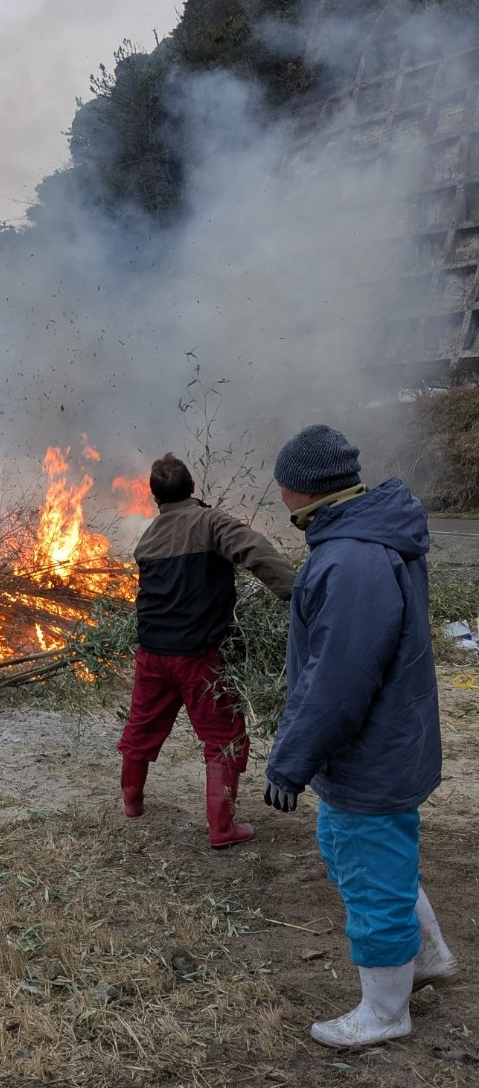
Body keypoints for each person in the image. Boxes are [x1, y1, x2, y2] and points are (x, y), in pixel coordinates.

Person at [265, 424, 458, 1049]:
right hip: (386, 741)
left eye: (282, 486)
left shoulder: (349, 558)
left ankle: (384, 1012)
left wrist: (291, 759)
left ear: (301, 489)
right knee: (361, 854)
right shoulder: (371, 532)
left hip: (369, 750)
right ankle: (426, 957)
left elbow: (337, 681)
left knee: (371, 872)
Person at [117, 452, 296, 848]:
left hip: (151, 653)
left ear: (154, 498)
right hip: (198, 656)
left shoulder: (148, 539)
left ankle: (132, 803)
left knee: (142, 727)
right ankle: (222, 828)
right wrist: (300, 595)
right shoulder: (211, 521)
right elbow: (257, 552)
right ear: (193, 488)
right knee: (223, 737)